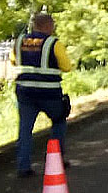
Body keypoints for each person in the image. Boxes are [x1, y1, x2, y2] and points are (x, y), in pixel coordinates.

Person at [12, 14, 73, 178]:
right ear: (48, 26)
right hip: (49, 93)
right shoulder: (53, 43)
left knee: (25, 128)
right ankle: (56, 160)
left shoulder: (19, 42)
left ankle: (23, 166)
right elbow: (67, 67)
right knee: (59, 121)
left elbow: (13, 60)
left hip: (24, 92)